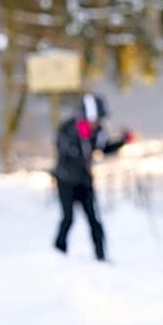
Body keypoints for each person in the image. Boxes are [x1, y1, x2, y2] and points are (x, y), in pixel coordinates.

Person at [51, 93, 131, 262]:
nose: (97, 122)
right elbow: (63, 147)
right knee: (68, 218)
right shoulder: (69, 127)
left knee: (93, 219)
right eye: (96, 118)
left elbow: (103, 148)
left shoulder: (98, 131)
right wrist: (80, 144)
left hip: (84, 181)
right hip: (66, 180)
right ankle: (58, 252)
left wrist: (122, 141)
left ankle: (100, 255)